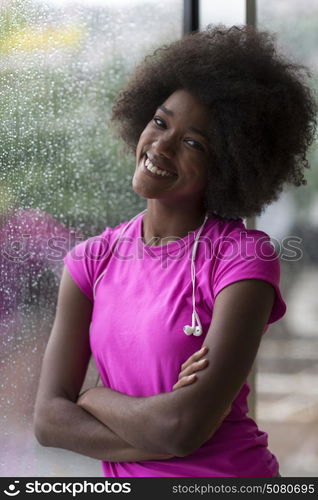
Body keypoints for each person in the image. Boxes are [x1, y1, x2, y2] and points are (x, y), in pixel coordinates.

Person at [33, 24, 317, 477]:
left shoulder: (243, 257)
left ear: (227, 165)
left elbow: (184, 427)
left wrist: (93, 399)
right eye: (160, 122)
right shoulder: (91, 261)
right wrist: (163, 431)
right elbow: (49, 421)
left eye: (193, 143)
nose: (161, 145)